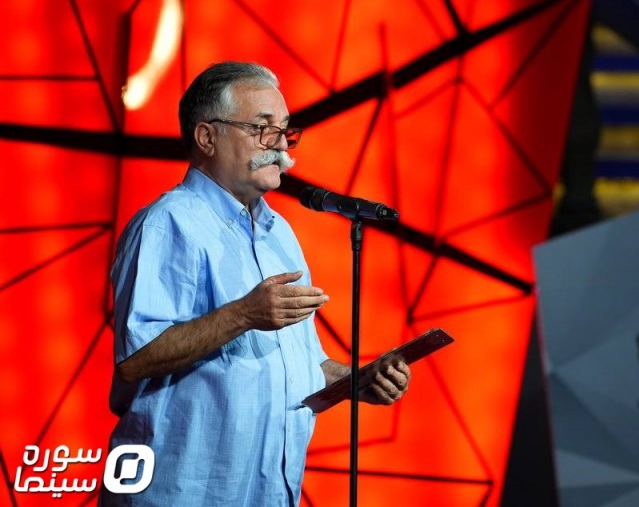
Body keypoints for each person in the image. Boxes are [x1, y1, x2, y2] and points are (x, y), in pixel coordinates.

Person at [102, 61, 410, 505]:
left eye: (284, 130)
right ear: (207, 137)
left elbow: (298, 367)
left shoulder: (279, 234)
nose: (280, 144)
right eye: (262, 128)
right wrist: (244, 315)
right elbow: (134, 359)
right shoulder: (168, 223)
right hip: (186, 492)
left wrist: (358, 380)